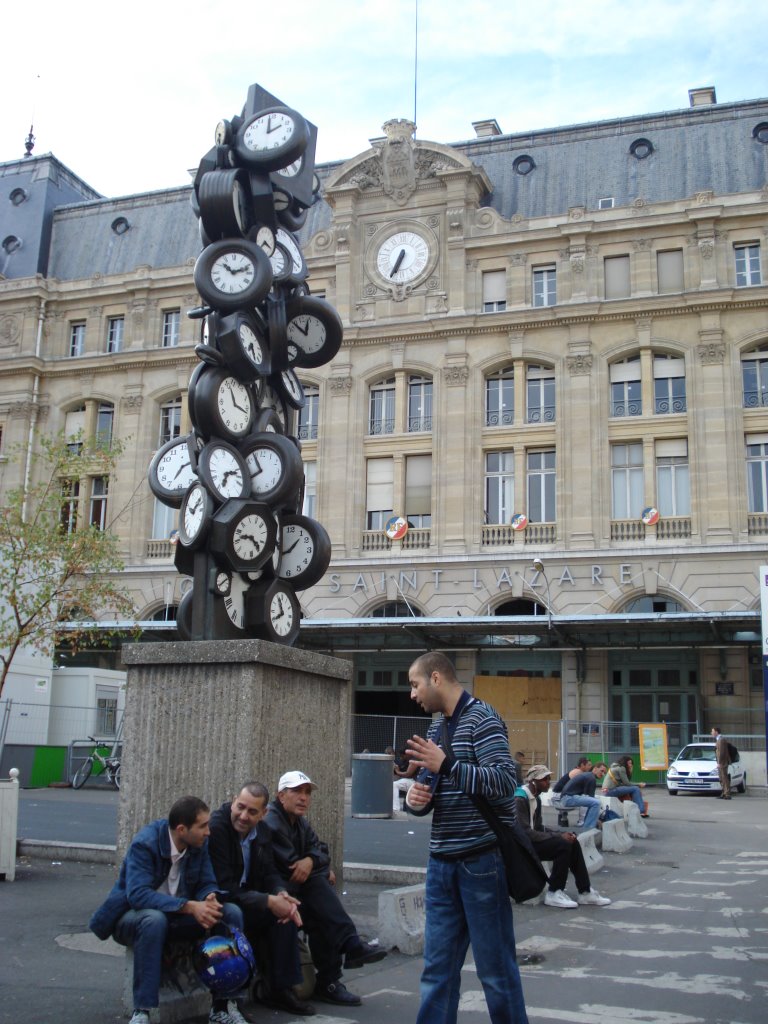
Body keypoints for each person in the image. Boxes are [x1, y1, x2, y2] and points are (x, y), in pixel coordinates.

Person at [404, 651, 529, 1024]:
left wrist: (448, 765)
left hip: (481, 863)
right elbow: (432, 789)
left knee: (495, 971)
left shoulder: (482, 718)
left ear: (437, 678)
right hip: (441, 865)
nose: (412, 694)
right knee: (436, 973)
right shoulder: (436, 727)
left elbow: (506, 783)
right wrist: (416, 799)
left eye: (415, 684)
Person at [89, 795, 247, 1024]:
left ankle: (223, 1006)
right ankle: (142, 1011)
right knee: (153, 920)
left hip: (177, 917)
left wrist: (208, 897)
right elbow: (137, 895)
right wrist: (189, 906)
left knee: (230, 913)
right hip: (133, 918)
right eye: (202, 826)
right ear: (182, 829)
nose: (208, 832)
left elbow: (206, 881)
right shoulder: (146, 843)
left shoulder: (198, 844)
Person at [262, 770, 387, 1008]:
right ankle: (349, 946)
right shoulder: (272, 823)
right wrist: (314, 863)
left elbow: (320, 850)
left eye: (307, 792)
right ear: (281, 795)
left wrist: (310, 860)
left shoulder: (299, 822)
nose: (304, 798)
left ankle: (331, 979)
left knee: (320, 900)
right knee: (318, 885)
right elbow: (293, 868)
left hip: (296, 890)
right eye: (297, 791)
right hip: (275, 891)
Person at [208, 782, 316, 1016]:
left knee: (285, 911)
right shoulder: (218, 828)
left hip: (249, 897)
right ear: (234, 800)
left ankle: (281, 990)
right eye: (240, 807)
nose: (243, 816)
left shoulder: (263, 831)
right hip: (223, 899)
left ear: (263, 814)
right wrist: (267, 901)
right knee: (236, 912)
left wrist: (280, 892)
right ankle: (229, 1001)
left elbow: (269, 872)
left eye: (252, 811)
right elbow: (224, 886)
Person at [514, 765, 611, 910]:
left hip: (531, 841)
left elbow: (539, 827)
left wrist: (560, 834)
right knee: (562, 845)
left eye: (548, 778)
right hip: (521, 846)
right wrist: (558, 837)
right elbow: (525, 832)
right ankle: (554, 892)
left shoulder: (536, 798)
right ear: (533, 781)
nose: (548, 782)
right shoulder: (520, 799)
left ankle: (585, 891)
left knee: (572, 841)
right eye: (545, 779)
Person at [559, 762, 608, 831]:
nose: (602, 774)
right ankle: (588, 829)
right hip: (568, 798)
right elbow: (592, 800)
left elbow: (589, 802)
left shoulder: (588, 776)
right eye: (602, 771)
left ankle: (587, 826)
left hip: (566, 797)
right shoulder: (591, 778)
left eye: (604, 773)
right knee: (596, 803)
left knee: (594, 803)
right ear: (595, 769)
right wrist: (597, 819)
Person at [711, 727, 731, 799]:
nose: (711, 733)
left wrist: (719, 762)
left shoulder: (721, 740)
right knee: (721, 778)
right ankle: (724, 793)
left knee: (724, 778)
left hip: (723, 762)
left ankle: (727, 794)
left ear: (716, 732)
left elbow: (722, 752)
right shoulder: (718, 740)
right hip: (720, 762)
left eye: (712, 731)